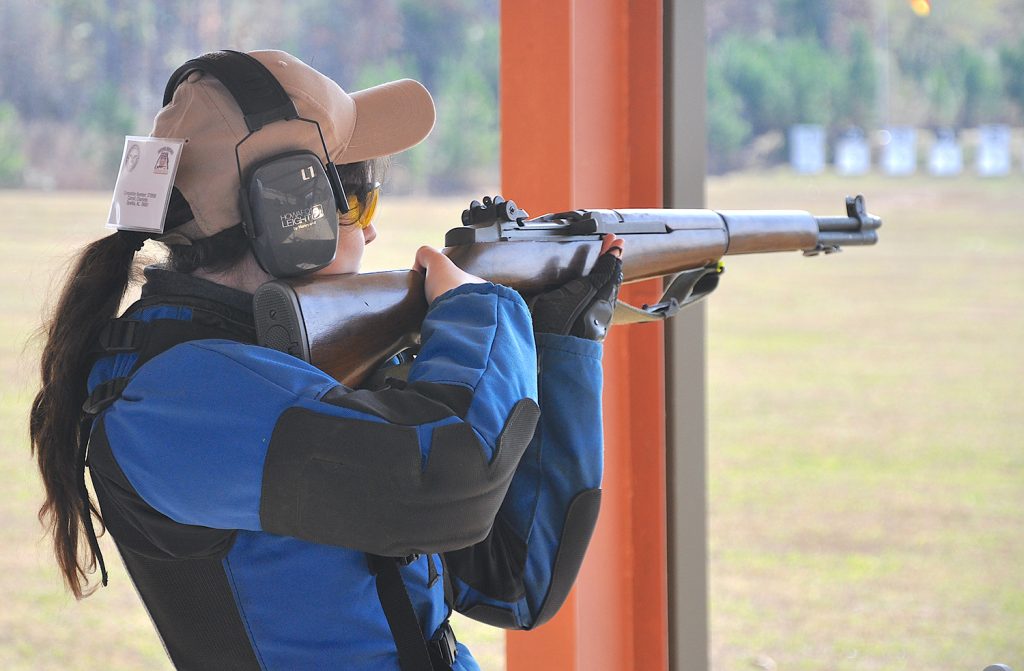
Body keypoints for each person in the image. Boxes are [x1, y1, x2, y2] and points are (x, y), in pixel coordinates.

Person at [30, 49, 624, 671]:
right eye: (355, 199)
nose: (369, 233)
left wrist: (561, 346)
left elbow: (516, 583)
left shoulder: (279, 365)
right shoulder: (173, 399)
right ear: (287, 213)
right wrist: (485, 313)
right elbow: (453, 480)